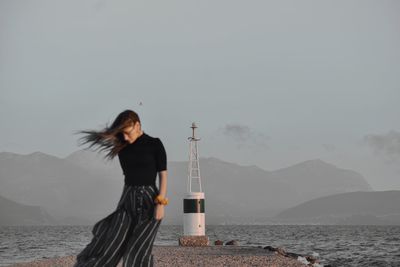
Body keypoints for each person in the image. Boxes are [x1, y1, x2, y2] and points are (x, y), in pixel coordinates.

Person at [73, 109, 168, 267]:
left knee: (137, 250)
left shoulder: (155, 144)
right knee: (111, 243)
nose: (124, 137)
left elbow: (163, 175)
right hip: (127, 199)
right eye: (121, 133)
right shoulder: (122, 147)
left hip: (149, 200)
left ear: (137, 125)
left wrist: (160, 203)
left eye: (127, 132)